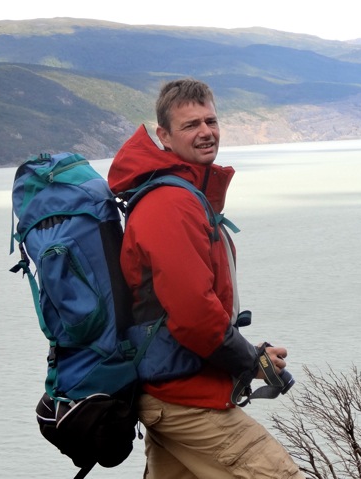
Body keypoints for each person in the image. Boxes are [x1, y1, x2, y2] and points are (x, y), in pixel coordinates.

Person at [107, 78, 304, 478]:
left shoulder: (181, 195)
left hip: (172, 388)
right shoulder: (170, 204)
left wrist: (249, 353)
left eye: (210, 121)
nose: (205, 132)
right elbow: (194, 313)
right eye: (190, 125)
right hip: (186, 399)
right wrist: (250, 361)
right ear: (164, 136)